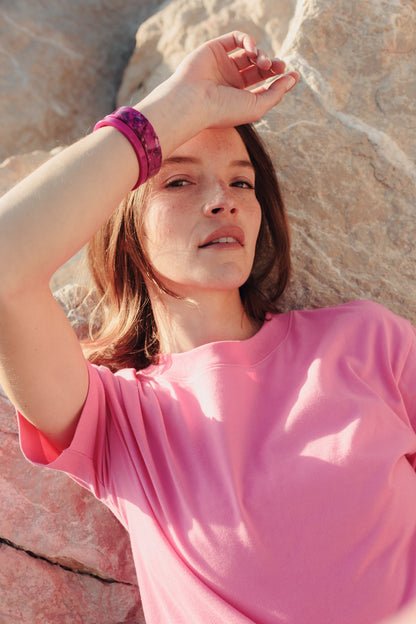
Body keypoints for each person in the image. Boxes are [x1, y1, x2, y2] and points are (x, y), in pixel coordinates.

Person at [0, 30, 415, 624]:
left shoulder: (368, 343)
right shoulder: (116, 423)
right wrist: (173, 108)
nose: (223, 199)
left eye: (242, 181)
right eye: (179, 180)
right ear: (125, 224)